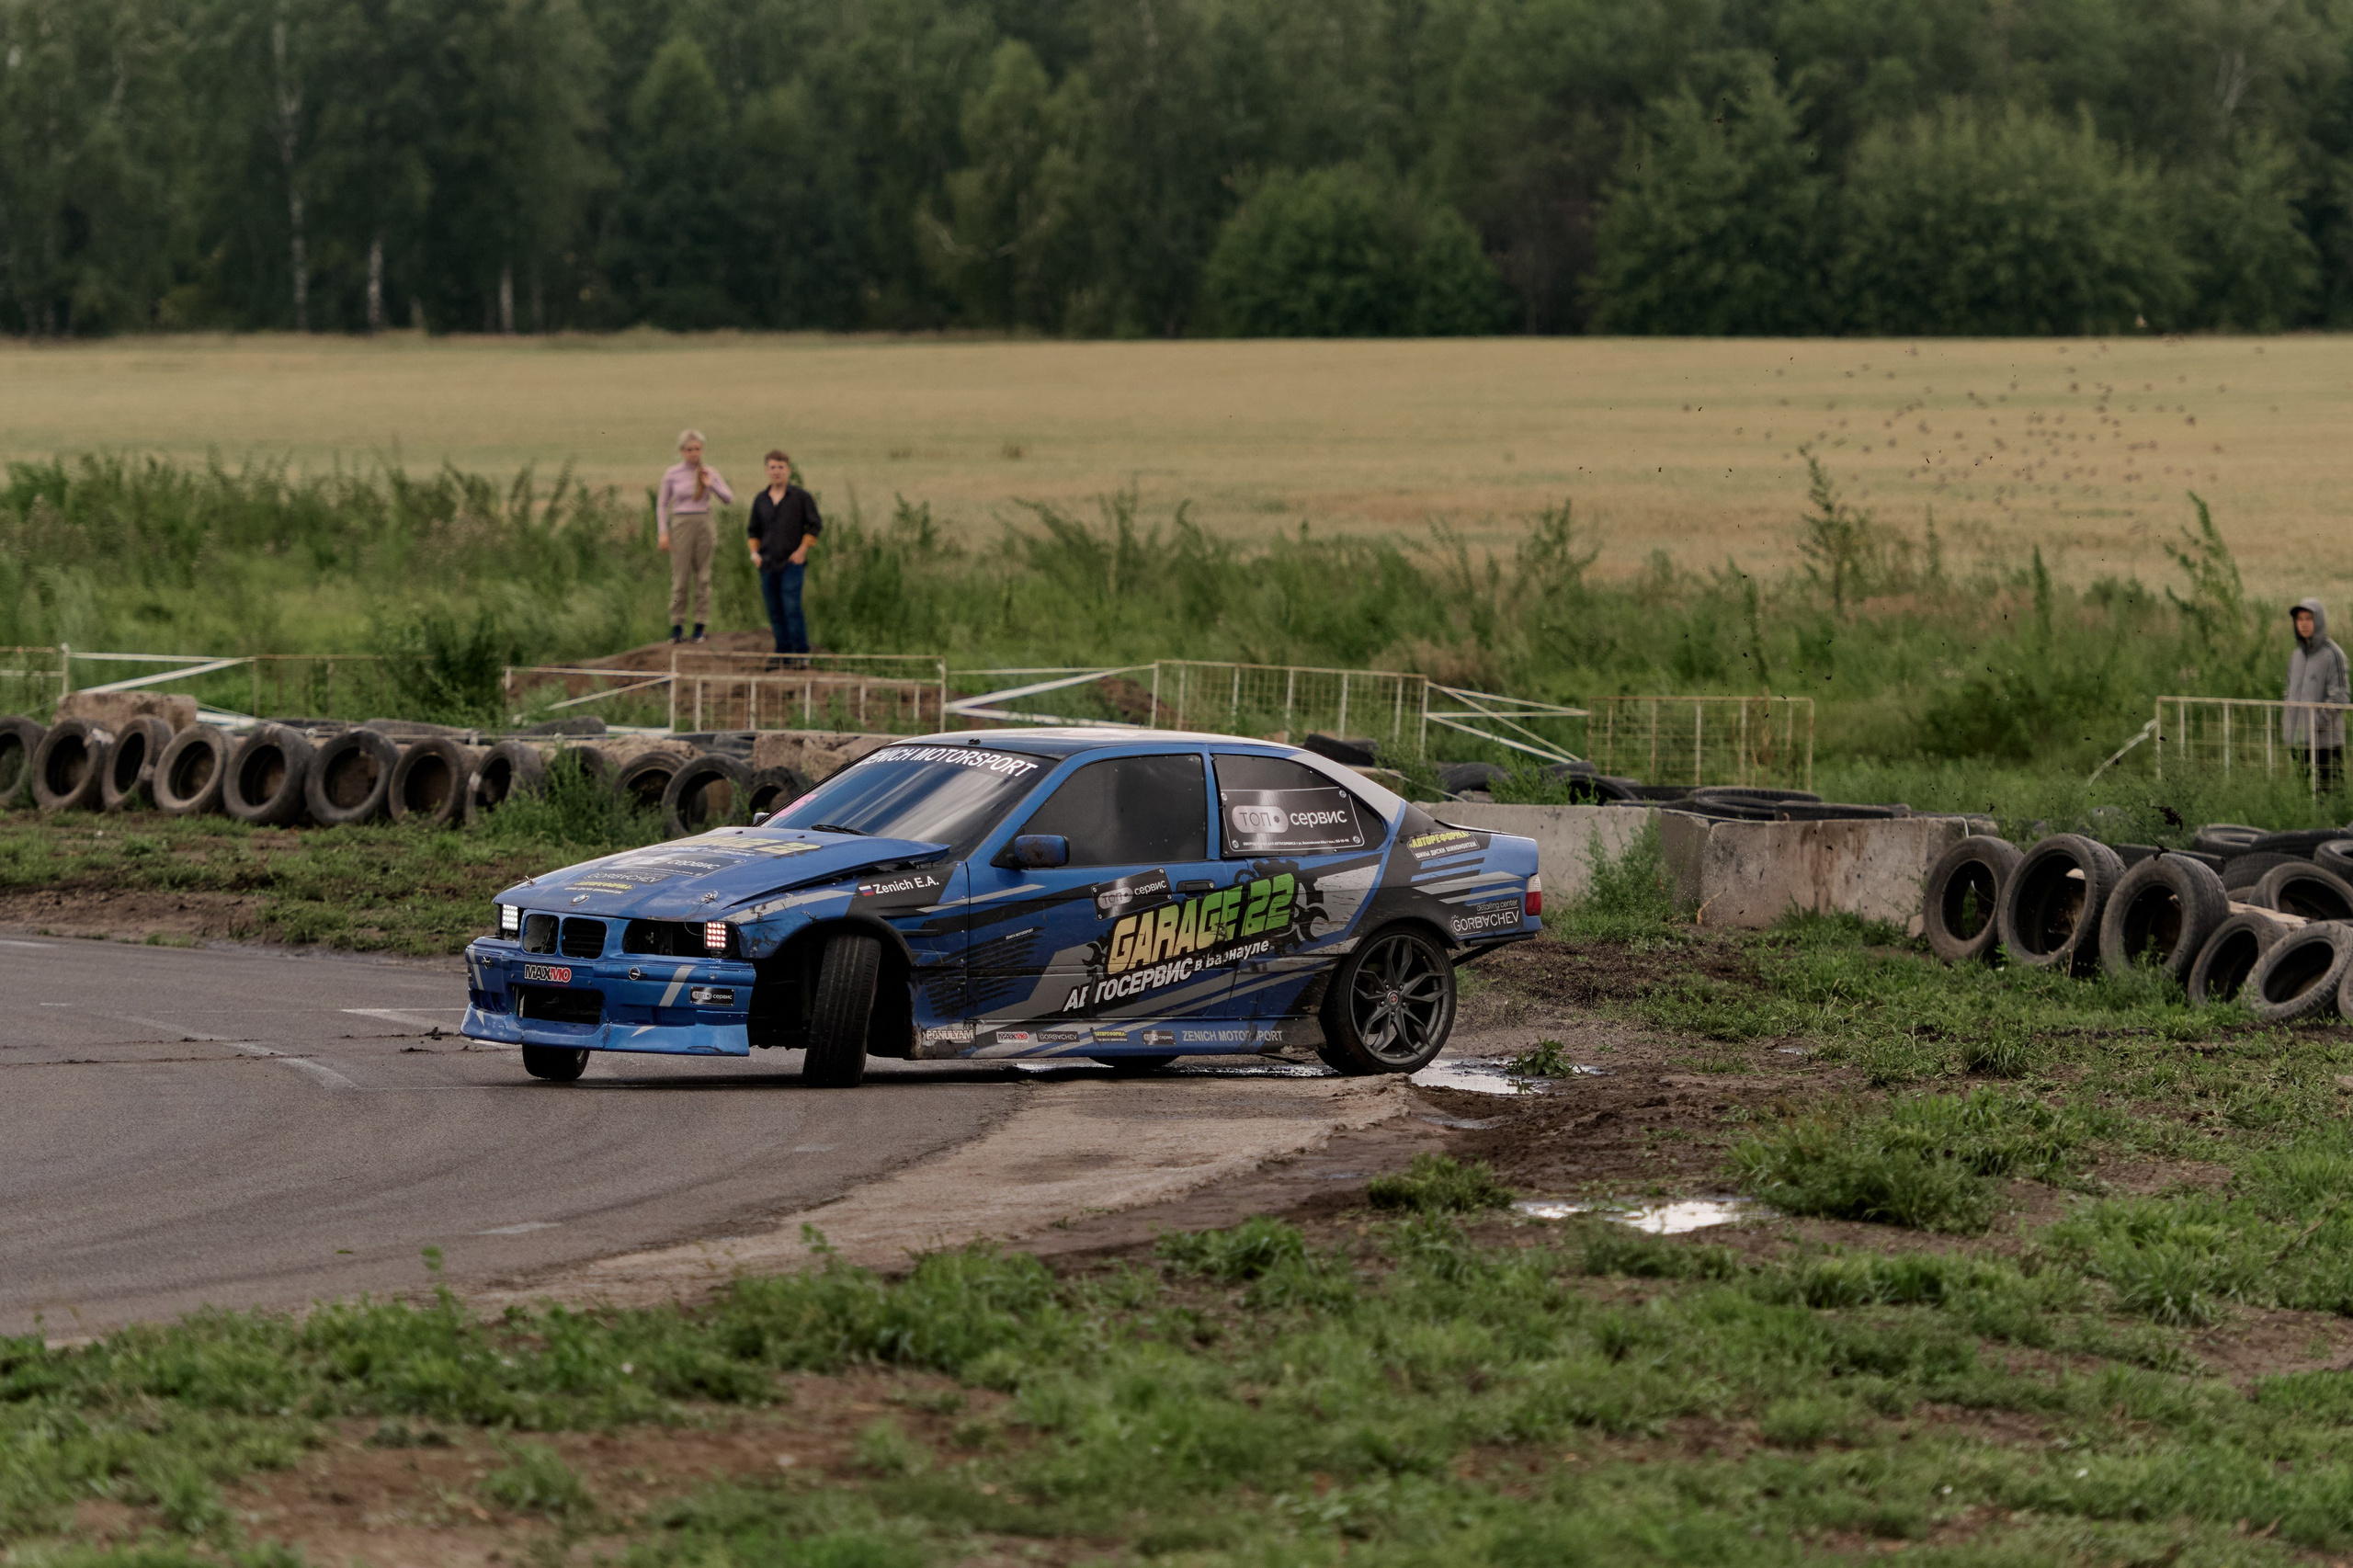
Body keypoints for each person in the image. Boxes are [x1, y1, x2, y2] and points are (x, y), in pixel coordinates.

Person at [656, 429, 733, 643]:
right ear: (682, 451)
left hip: (704, 522)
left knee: (704, 576)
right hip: (681, 522)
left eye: (697, 449)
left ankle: (700, 624)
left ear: (702, 450)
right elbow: (662, 504)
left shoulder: (709, 472)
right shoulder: (672, 473)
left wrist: (712, 485)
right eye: (689, 449)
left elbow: (728, 498)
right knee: (680, 577)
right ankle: (677, 624)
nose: (693, 453)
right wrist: (663, 531)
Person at [746, 449, 823, 658]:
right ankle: (783, 653)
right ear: (766, 471)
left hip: (792, 562)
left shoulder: (800, 498)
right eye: (773, 467)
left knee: (791, 606)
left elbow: (815, 526)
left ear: (789, 470)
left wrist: (802, 550)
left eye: (781, 467)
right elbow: (753, 530)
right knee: (775, 610)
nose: (777, 471)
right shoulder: (760, 500)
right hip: (767, 563)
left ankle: (801, 653)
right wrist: (755, 553)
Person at [2284, 597, 2348, 790]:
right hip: (2298, 742)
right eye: (2299, 619)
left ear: (2318, 621)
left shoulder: (2333, 654)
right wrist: (2290, 724)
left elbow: (2340, 698)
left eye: (2308, 619)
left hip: (2325, 745)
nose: (2303, 624)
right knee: (2302, 797)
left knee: (2328, 798)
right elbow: (2288, 692)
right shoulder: (2296, 656)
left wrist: (2313, 724)